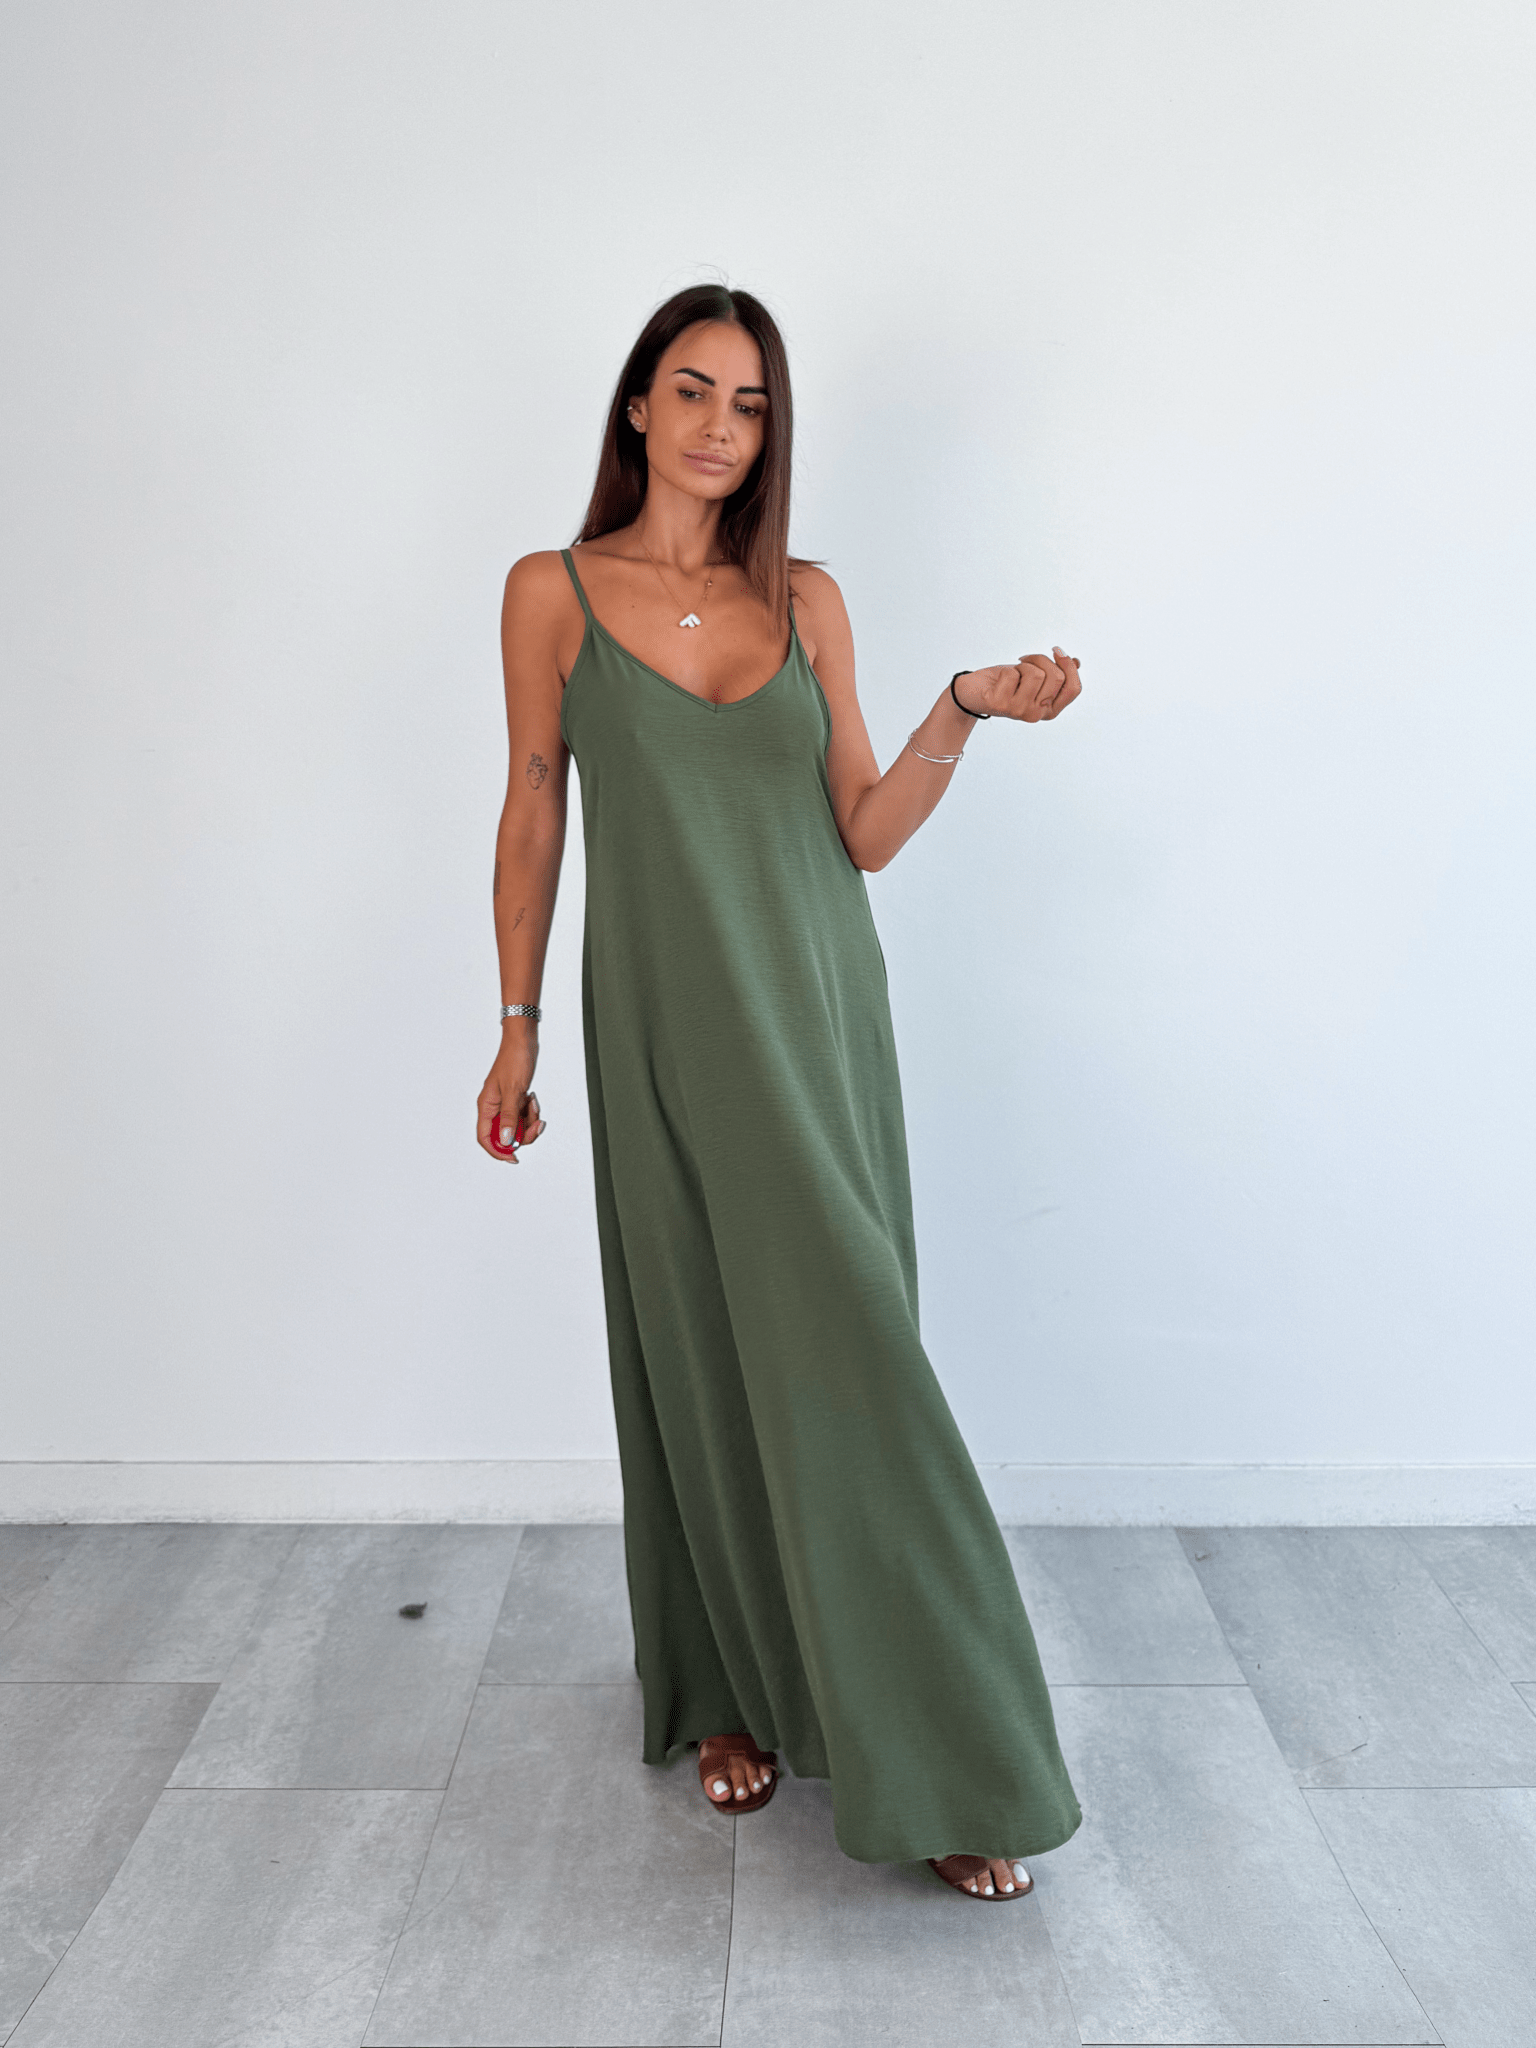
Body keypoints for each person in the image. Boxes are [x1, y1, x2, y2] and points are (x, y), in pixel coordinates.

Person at [477, 284, 1084, 1901]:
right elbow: (533, 811)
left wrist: (962, 710)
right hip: (663, 1029)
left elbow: (864, 832)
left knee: (856, 1366)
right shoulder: (552, 593)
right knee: (698, 1350)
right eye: (692, 390)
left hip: (815, 1024)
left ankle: (952, 1758)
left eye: (749, 404)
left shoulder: (807, 599)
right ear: (637, 406)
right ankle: (729, 1695)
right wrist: (516, 1025)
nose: (718, 427)